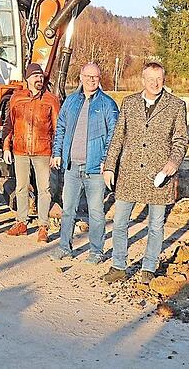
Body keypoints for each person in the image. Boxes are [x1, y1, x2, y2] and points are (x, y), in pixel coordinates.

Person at [102, 62, 189, 284]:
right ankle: (118, 266)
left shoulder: (176, 106)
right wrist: (110, 166)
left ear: (164, 79)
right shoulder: (129, 103)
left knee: (155, 225)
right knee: (120, 223)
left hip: (159, 175)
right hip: (129, 173)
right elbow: (118, 137)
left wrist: (173, 162)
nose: (155, 83)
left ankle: (149, 268)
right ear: (142, 80)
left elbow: (181, 139)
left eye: (159, 78)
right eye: (150, 79)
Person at [50, 63, 119, 263]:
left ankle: (96, 252)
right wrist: (57, 153)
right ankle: (65, 247)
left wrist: (106, 161)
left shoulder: (107, 104)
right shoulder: (71, 101)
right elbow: (61, 128)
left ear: (99, 79)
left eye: (95, 77)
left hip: (96, 169)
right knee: (68, 210)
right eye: (88, 76)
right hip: (72, 167)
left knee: (96, 213)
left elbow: (113, 136)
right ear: (80, 77)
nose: (91, 80)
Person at [3, 63, 61, 243]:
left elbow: (58, 128)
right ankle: (21, 222)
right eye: (35, 76)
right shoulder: (16, 98)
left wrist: (56, 152)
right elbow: (9, 125)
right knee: (21, 187)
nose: (39, 79)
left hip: (43, 151)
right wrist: (6, 147)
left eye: (41, 77)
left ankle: (43, 226)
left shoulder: (51, 100)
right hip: (20, 150)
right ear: (27, 79)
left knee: (44, 190)